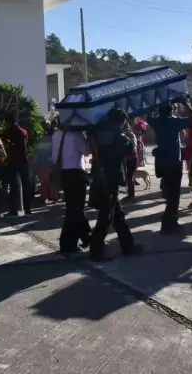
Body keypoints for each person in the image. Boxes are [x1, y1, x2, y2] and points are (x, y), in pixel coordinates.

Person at [87, 109, 140, 261]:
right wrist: (128, 136)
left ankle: (128, 246)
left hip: (99, 175)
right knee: (106, 215)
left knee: (117, 215)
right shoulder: (118, 136)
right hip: (110, 178)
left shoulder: (98, 131)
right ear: (121, 121)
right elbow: (128, 148)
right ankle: (96, 251)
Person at [148, 99, 192, 234]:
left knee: (169, 193)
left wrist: (153, 105)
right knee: (174, 194)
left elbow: (148, 116)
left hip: (161, 162)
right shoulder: (174, 122)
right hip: (173, 162)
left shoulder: (156, 122)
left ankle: (170, 220)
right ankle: (169, 222)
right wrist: (187, 104)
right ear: (171, 111)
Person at [53, 124, 92, 252]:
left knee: (72, 209)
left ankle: (69, 243)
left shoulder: (56, 134)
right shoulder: (77, 135)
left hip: (63, 173)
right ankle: (87, 237)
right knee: (77, 209)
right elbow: (87, 151)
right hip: (76, 173)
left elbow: (54, 156)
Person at [0, 121, 33, 217]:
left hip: (13, 161)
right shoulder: (24, 131)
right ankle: (28, 209)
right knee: (26, 185)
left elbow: (8, 146)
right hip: (23, 160)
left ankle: (14, 210)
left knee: (13, 186)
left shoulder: (11, 132)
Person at [35, 119, 59, 205]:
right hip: (49, 161)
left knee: (46, 181)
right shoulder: (53, 137)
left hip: (44, 161)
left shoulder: (43, 137)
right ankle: (51, 197)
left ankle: (46, 197)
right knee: (51, 180)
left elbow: (38, 150)